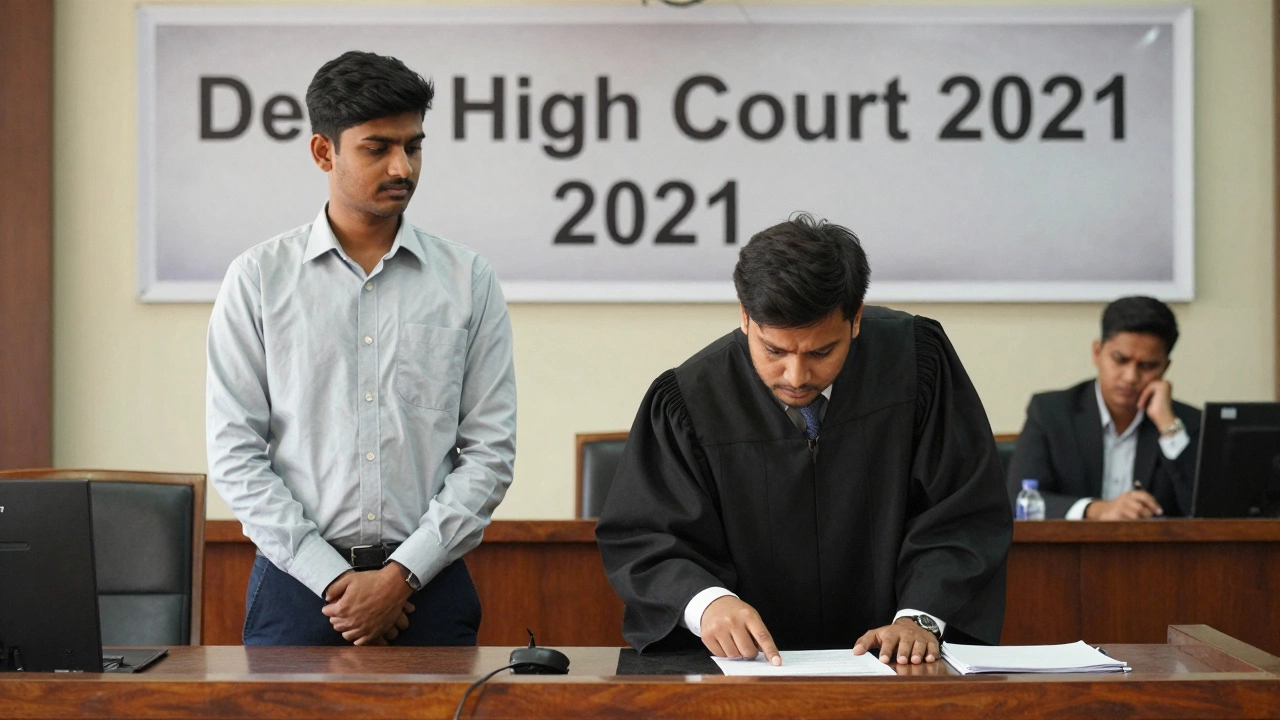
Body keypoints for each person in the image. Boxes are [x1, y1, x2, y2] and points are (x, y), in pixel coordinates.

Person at [595, 214, 1012, 666]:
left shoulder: (915, 365)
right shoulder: (690, 399)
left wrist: (921, 617)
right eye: (774, 351)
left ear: (855, 318)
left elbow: (961, 509)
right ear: (745, 316)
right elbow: (646, 535)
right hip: (745, 671)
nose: (796, 376)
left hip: (895, 666)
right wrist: (707, 602)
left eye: (821, 351)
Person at [206, 51, 516, 646]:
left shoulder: (467, 279)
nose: (403, 167)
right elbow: (235, 454)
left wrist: (400, 576)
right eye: (377, 148)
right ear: (324, 152)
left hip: (429, 586)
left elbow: (490, 451)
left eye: (413, 146)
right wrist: (333, 580)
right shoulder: (259, 279)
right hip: (296, 589)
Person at [1005, 297, 1199, 520]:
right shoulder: (1051, 413)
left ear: (1165, 367)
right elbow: (1018, 501)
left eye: (1147, 366)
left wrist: (1169, 428)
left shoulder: (1187, 424)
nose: (1130, 377)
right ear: (1097, 352)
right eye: (1120, 360)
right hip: (1072, 544)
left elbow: (1209, 513)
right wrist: (1097, 510)